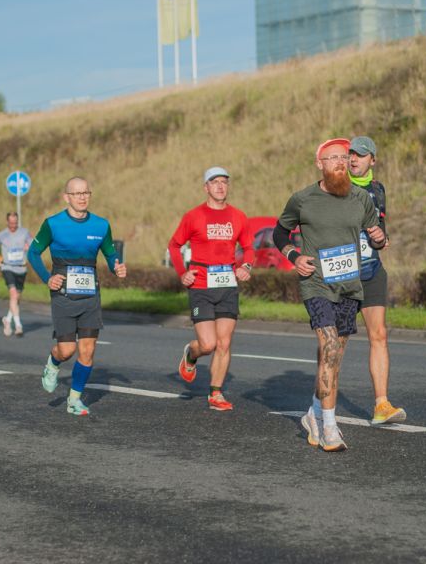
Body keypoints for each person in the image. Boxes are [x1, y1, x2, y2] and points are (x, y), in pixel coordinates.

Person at [273, 138, 386, 452]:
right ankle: (330, 427)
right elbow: (279, 232)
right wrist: (294, 255)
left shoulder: (361, 199)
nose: (340, 161)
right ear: (319, 163)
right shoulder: (302, 199)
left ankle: (313, 412)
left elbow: (375, 237)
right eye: (333, 157)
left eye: (343, 156)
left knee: (332, 360)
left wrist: (378, 237)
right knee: (331, 347)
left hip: (350, 286)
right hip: (317, 284)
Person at [28, 177, 126, 416]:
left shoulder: (101, 225)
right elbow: (33, 253)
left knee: (88, 350)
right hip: (63, 293)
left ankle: (74, 399)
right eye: (77, 193)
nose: (82, 197)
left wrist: (116, 266)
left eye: (86, 193)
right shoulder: (53, 224)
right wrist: (47, 278)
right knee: (67, 350)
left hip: (90, 293)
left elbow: (110, 253)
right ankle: (53, 361)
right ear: (67, 197)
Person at [169, 166, 254, 411]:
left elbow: (248, 248)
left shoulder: (238, 216)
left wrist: (246, 266)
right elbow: (174, 246)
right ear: (206, 187)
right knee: (208, 344)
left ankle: (215, 393)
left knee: (224, 343)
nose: (220, 186)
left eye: (224, 182)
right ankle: (191, 354)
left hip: (227, 284)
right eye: (214, 182)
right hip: (201, 285)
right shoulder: (193, 216)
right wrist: (182, 273)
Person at [348, 137, 407, 425]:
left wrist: (382, 238)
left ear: (373, 159)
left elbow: (380, 228)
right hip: (342, 274)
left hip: (371, 269)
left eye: (360, 155)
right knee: (336, 341)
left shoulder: (378, 190)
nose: (353, 159)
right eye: (350, 154)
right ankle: (321, 404)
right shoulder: (336, 187)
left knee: (379, 335)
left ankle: (381, 405)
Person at [0, 212, 32, 337]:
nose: (13, 225)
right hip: (7, 267)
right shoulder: (1, 235)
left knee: (16, 298)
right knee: (13, 294)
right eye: (10, 223)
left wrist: (29, 247)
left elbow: (33, 244)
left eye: (15, 223)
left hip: (21, 268)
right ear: (7, 222)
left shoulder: (24, 232)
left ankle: (8, 319)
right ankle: (18, 325)